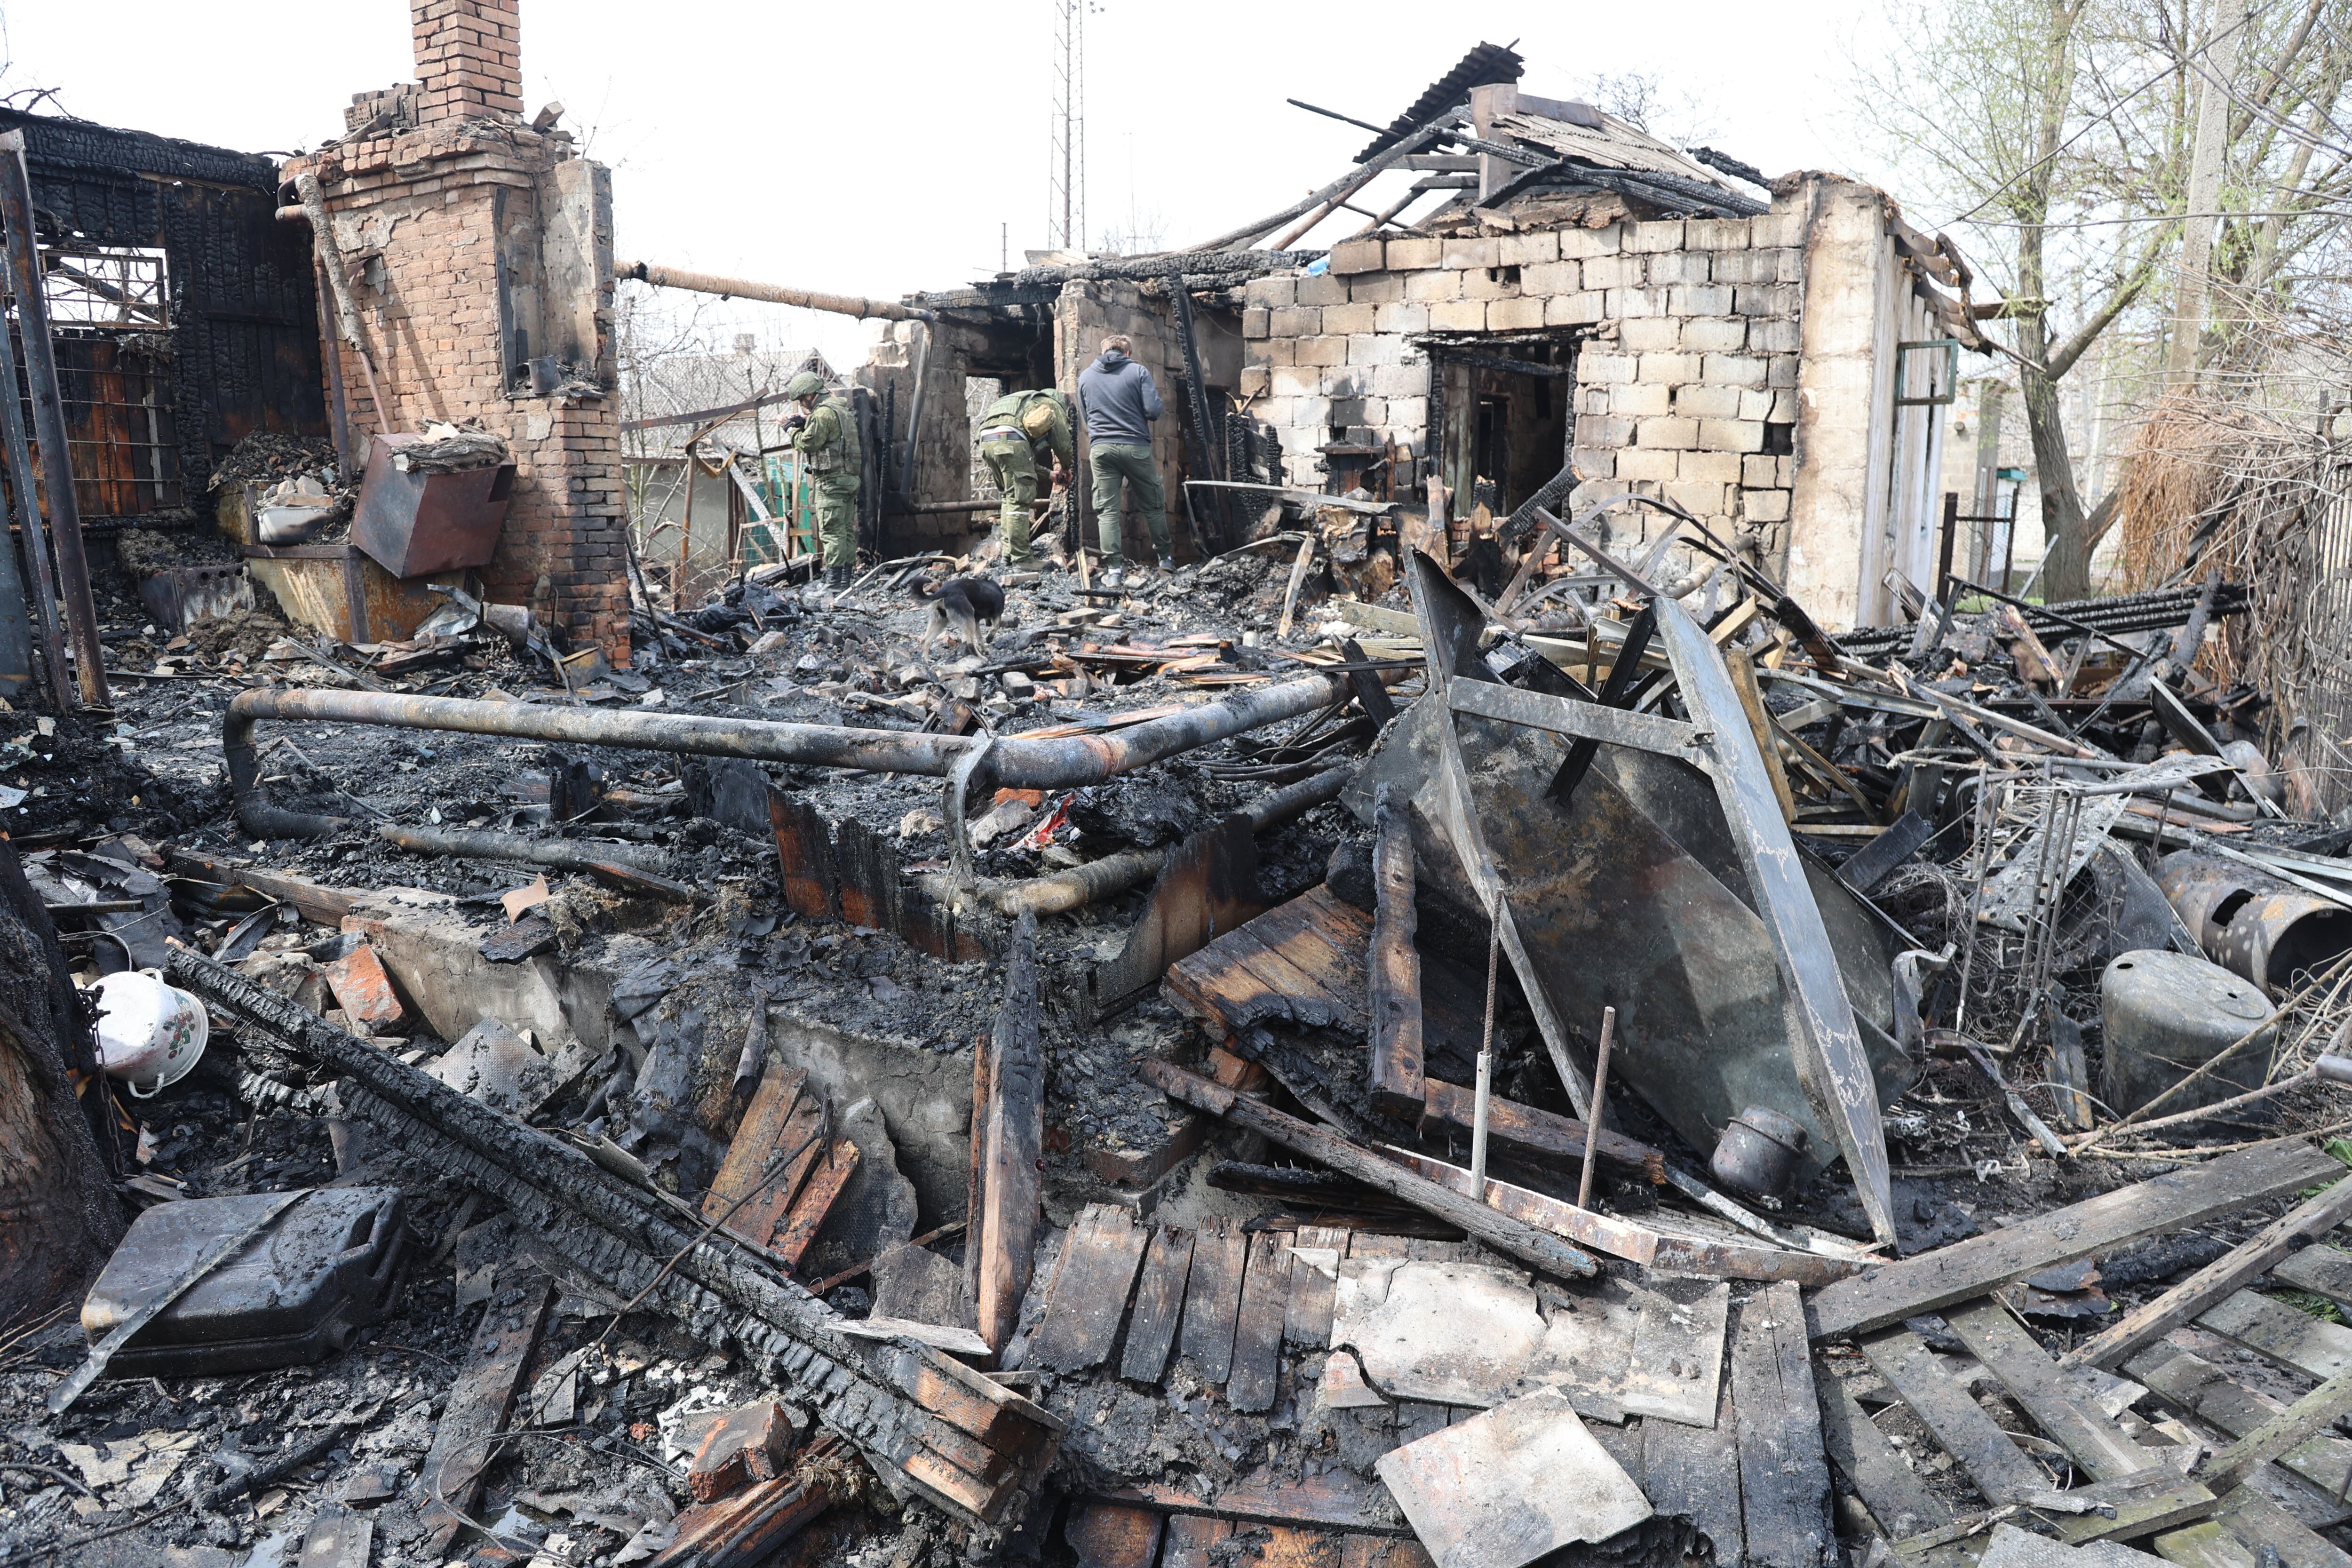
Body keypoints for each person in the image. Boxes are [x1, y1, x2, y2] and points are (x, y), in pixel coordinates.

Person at [1076, 334, 1172, 588]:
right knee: (1153, 505)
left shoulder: (1085, 377)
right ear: (1127, 353)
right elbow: (1152, 411)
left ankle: (1115, 571)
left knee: (1107, 511)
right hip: (1136, 447)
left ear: (1104, 350)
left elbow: (1086, 417)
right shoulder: (1138, 372)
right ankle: (1166, 560)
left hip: (1102, 448)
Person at [972, 385, 1073, 568]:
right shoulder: (1052, 405)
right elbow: (1063, 443)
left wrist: (1050, 474)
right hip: (1011, 439)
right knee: (1020, 500)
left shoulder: (1021, 403)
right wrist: (1066, 467)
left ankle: (1008, 554)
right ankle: (1023, 559)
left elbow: (1023, 463)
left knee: (1008, 498)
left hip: (986, 441)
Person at [781, 369, 860, 593]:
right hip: (848, 480)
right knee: (845, 531)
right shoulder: (840, 409)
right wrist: (804, 421)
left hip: (831, 483)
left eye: (801, 400)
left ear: (810, 395)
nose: (802, 404)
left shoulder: (823, 414)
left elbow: (809, 444)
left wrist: (790, 429)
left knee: (832, 533)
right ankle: (845, 583)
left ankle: (834, 587)